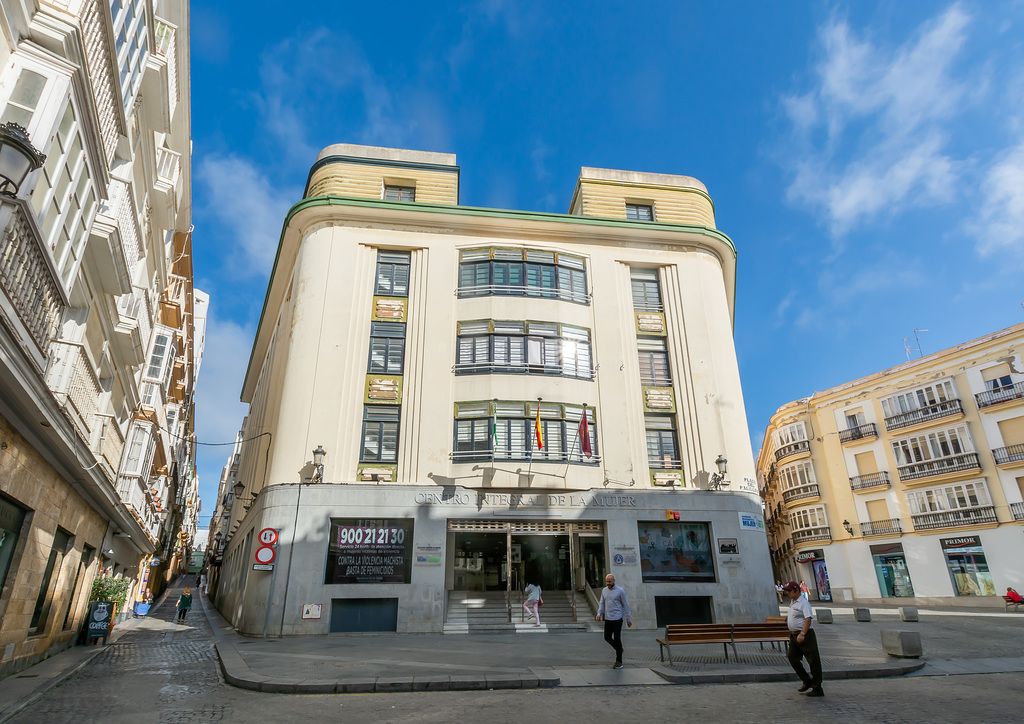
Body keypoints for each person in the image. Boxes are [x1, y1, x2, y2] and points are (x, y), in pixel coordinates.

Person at [783, 581, 823, 698]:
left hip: (805, 635)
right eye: (787, 591)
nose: (788, 593)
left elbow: (808, 619)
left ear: (796, 590)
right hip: (794, 635)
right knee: (792, 657)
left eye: (790, 591)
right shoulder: (792, 602)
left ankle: (817, 687)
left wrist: (803, 634)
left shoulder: (804, 603)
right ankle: (807, 680)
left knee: (813, 661)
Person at [595, 573, 631, 669]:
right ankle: (619, 649)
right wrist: (599, 614)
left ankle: (619, 661)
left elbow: (625, 605)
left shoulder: (620, 591)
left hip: (617, 618)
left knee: (617, 639)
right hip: (608, 618)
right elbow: (602, 603)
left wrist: (628, 618)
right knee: (607, 637)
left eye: (610, 581)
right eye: (607, 581)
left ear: (614, 581)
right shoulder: (604, 591)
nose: (608, 583)